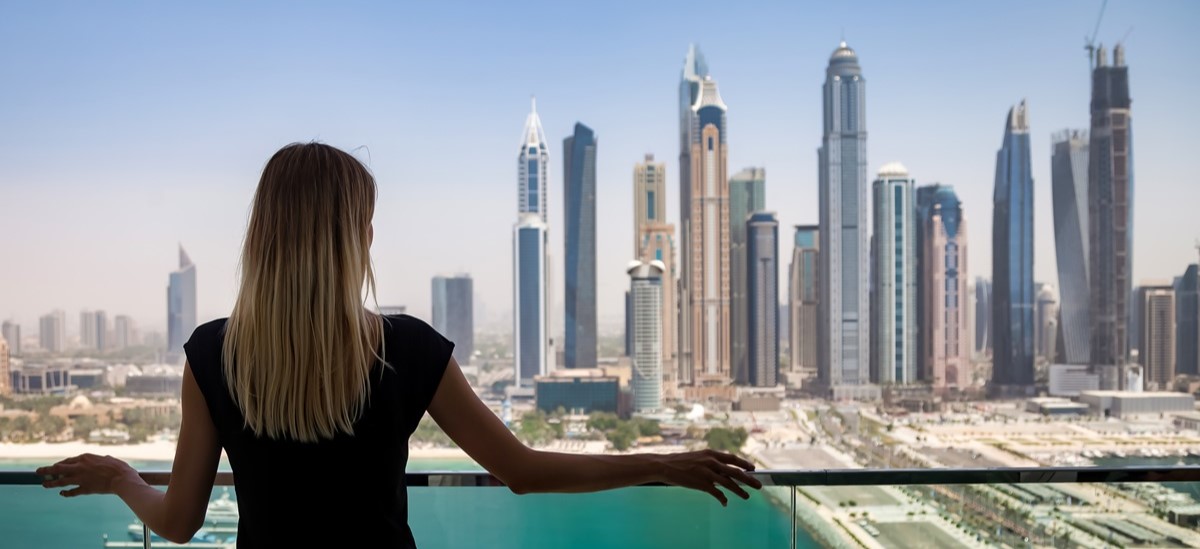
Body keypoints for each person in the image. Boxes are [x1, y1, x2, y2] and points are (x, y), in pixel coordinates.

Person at [37, 143, 761, 547]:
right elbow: (521, 470)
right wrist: (662, 463)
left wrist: (121, 479)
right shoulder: (408, 349)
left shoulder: (213, 354)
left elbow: (182, 523)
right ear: (352, 238)